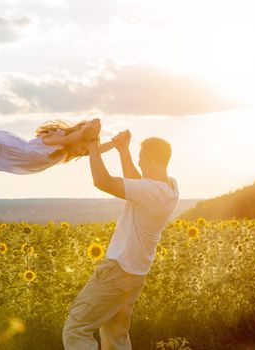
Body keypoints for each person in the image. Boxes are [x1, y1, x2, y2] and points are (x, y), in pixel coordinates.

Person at [63, 119, 179, 350]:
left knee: (76, 328)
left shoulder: (151, 190)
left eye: (140, 160)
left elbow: (102, 181)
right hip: (135, 274)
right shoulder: (170, 187)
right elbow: (139, 183)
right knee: (116, 337)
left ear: (150, 160)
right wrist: (123, 151)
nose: (139, 163)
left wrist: (94, 144)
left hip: (117, 271)